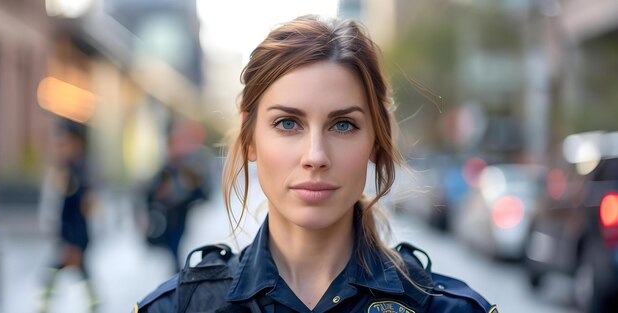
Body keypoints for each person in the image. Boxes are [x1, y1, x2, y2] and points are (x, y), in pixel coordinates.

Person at [133, 15, 498, 313]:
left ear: (375, 140)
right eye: (287, 123)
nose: (315, 156)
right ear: (249, 139)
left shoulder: (448, 309)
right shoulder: (177, 308)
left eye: (343, 125)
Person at [40, 119, 97, 313]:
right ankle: (93, 304)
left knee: (64, 271)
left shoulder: (78, 173)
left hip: (74, 237)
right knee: (69, 272)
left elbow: (79, 213)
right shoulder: (65, 168)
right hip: (67, 236)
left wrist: (73, 243)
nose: (61, 146)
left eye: (65, 142)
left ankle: (45, 305)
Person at [143, 119, 213, 273]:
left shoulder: (192, 165)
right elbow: (151, 192)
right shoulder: (167, 169)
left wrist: (174, 195)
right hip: (167, 223)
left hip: (185, 222)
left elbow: (201, 192)